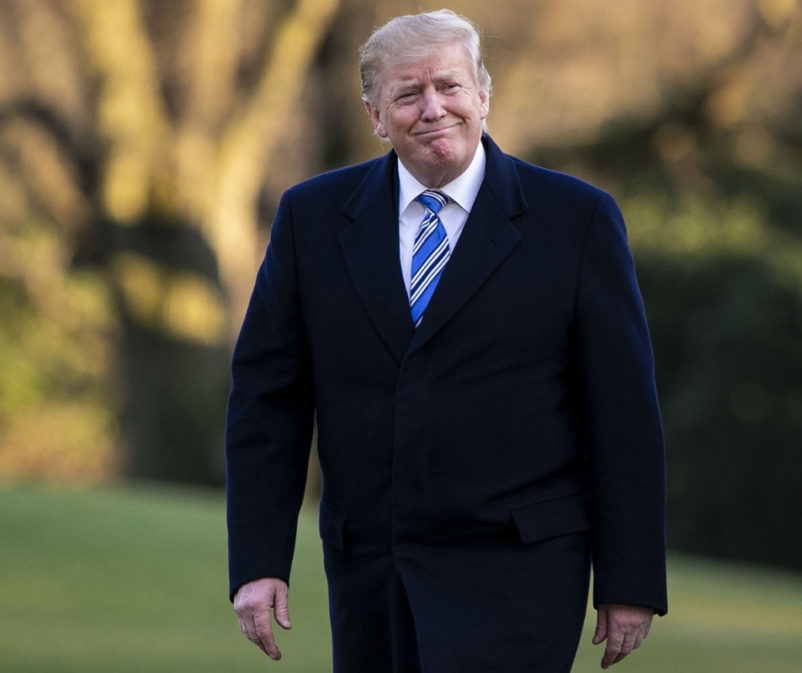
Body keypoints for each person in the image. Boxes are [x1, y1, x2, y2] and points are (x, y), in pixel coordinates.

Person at [226, 9, 666, 672]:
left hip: (520, 569)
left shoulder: (575, 220)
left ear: (483, 94)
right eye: (408, 93)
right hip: (372, 572)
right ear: (376, 115)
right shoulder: (309, 219)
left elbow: (624, 412)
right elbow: (267, 402)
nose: (434, 108)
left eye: (450, 87)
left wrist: (629, 579)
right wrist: (258, 561)